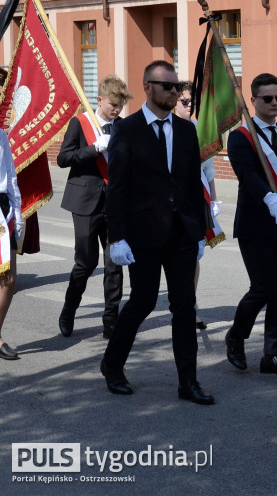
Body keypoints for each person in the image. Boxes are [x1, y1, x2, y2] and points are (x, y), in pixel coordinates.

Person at [100, 60, 213, 404]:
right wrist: (116, 237)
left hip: (180, 233)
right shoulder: (128, 129)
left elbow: (193, 184)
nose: (175, 92)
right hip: (143, 234)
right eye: (167, 86)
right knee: (143, 302)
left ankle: (188, 382)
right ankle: (112, 365)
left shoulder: (186, 130)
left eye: (177, 86)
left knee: (184, 306)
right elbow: (118, 186)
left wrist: (201, 231)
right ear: (147, 87)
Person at [225, 73, 277, 377]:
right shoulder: (241, 136)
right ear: (253, 101)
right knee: (262, 288)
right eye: (268, 99)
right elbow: (246, 174)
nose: (274, 103)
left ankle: (271, 355)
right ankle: (236, 335)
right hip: (256, 223)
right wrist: (268, 197)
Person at [57, 75, 132, 340]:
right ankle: (68, 311)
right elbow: (63, 159)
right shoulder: (80, 123)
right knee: (85, 263)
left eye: (120, 105)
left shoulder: (123, 127)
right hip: (86, 202)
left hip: (115, 204)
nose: (116, 110)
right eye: (113, 104)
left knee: (114, 264)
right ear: (99, 99)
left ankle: (111, 321)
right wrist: (93, 149)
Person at [175, 82, 219, 330]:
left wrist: (212, 200)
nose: (189, 106)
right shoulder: (166, 129)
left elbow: (208, 169)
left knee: (193, 255)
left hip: (194, 202)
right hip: (168, 204)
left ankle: (189, 308)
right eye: (185, 101)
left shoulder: (198, 130)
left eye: (193, 102)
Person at [0, 102, 24, 360]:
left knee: (9, 280)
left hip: (2, 212)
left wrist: (17, 214)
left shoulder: (1, 135)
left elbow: (11, 176)